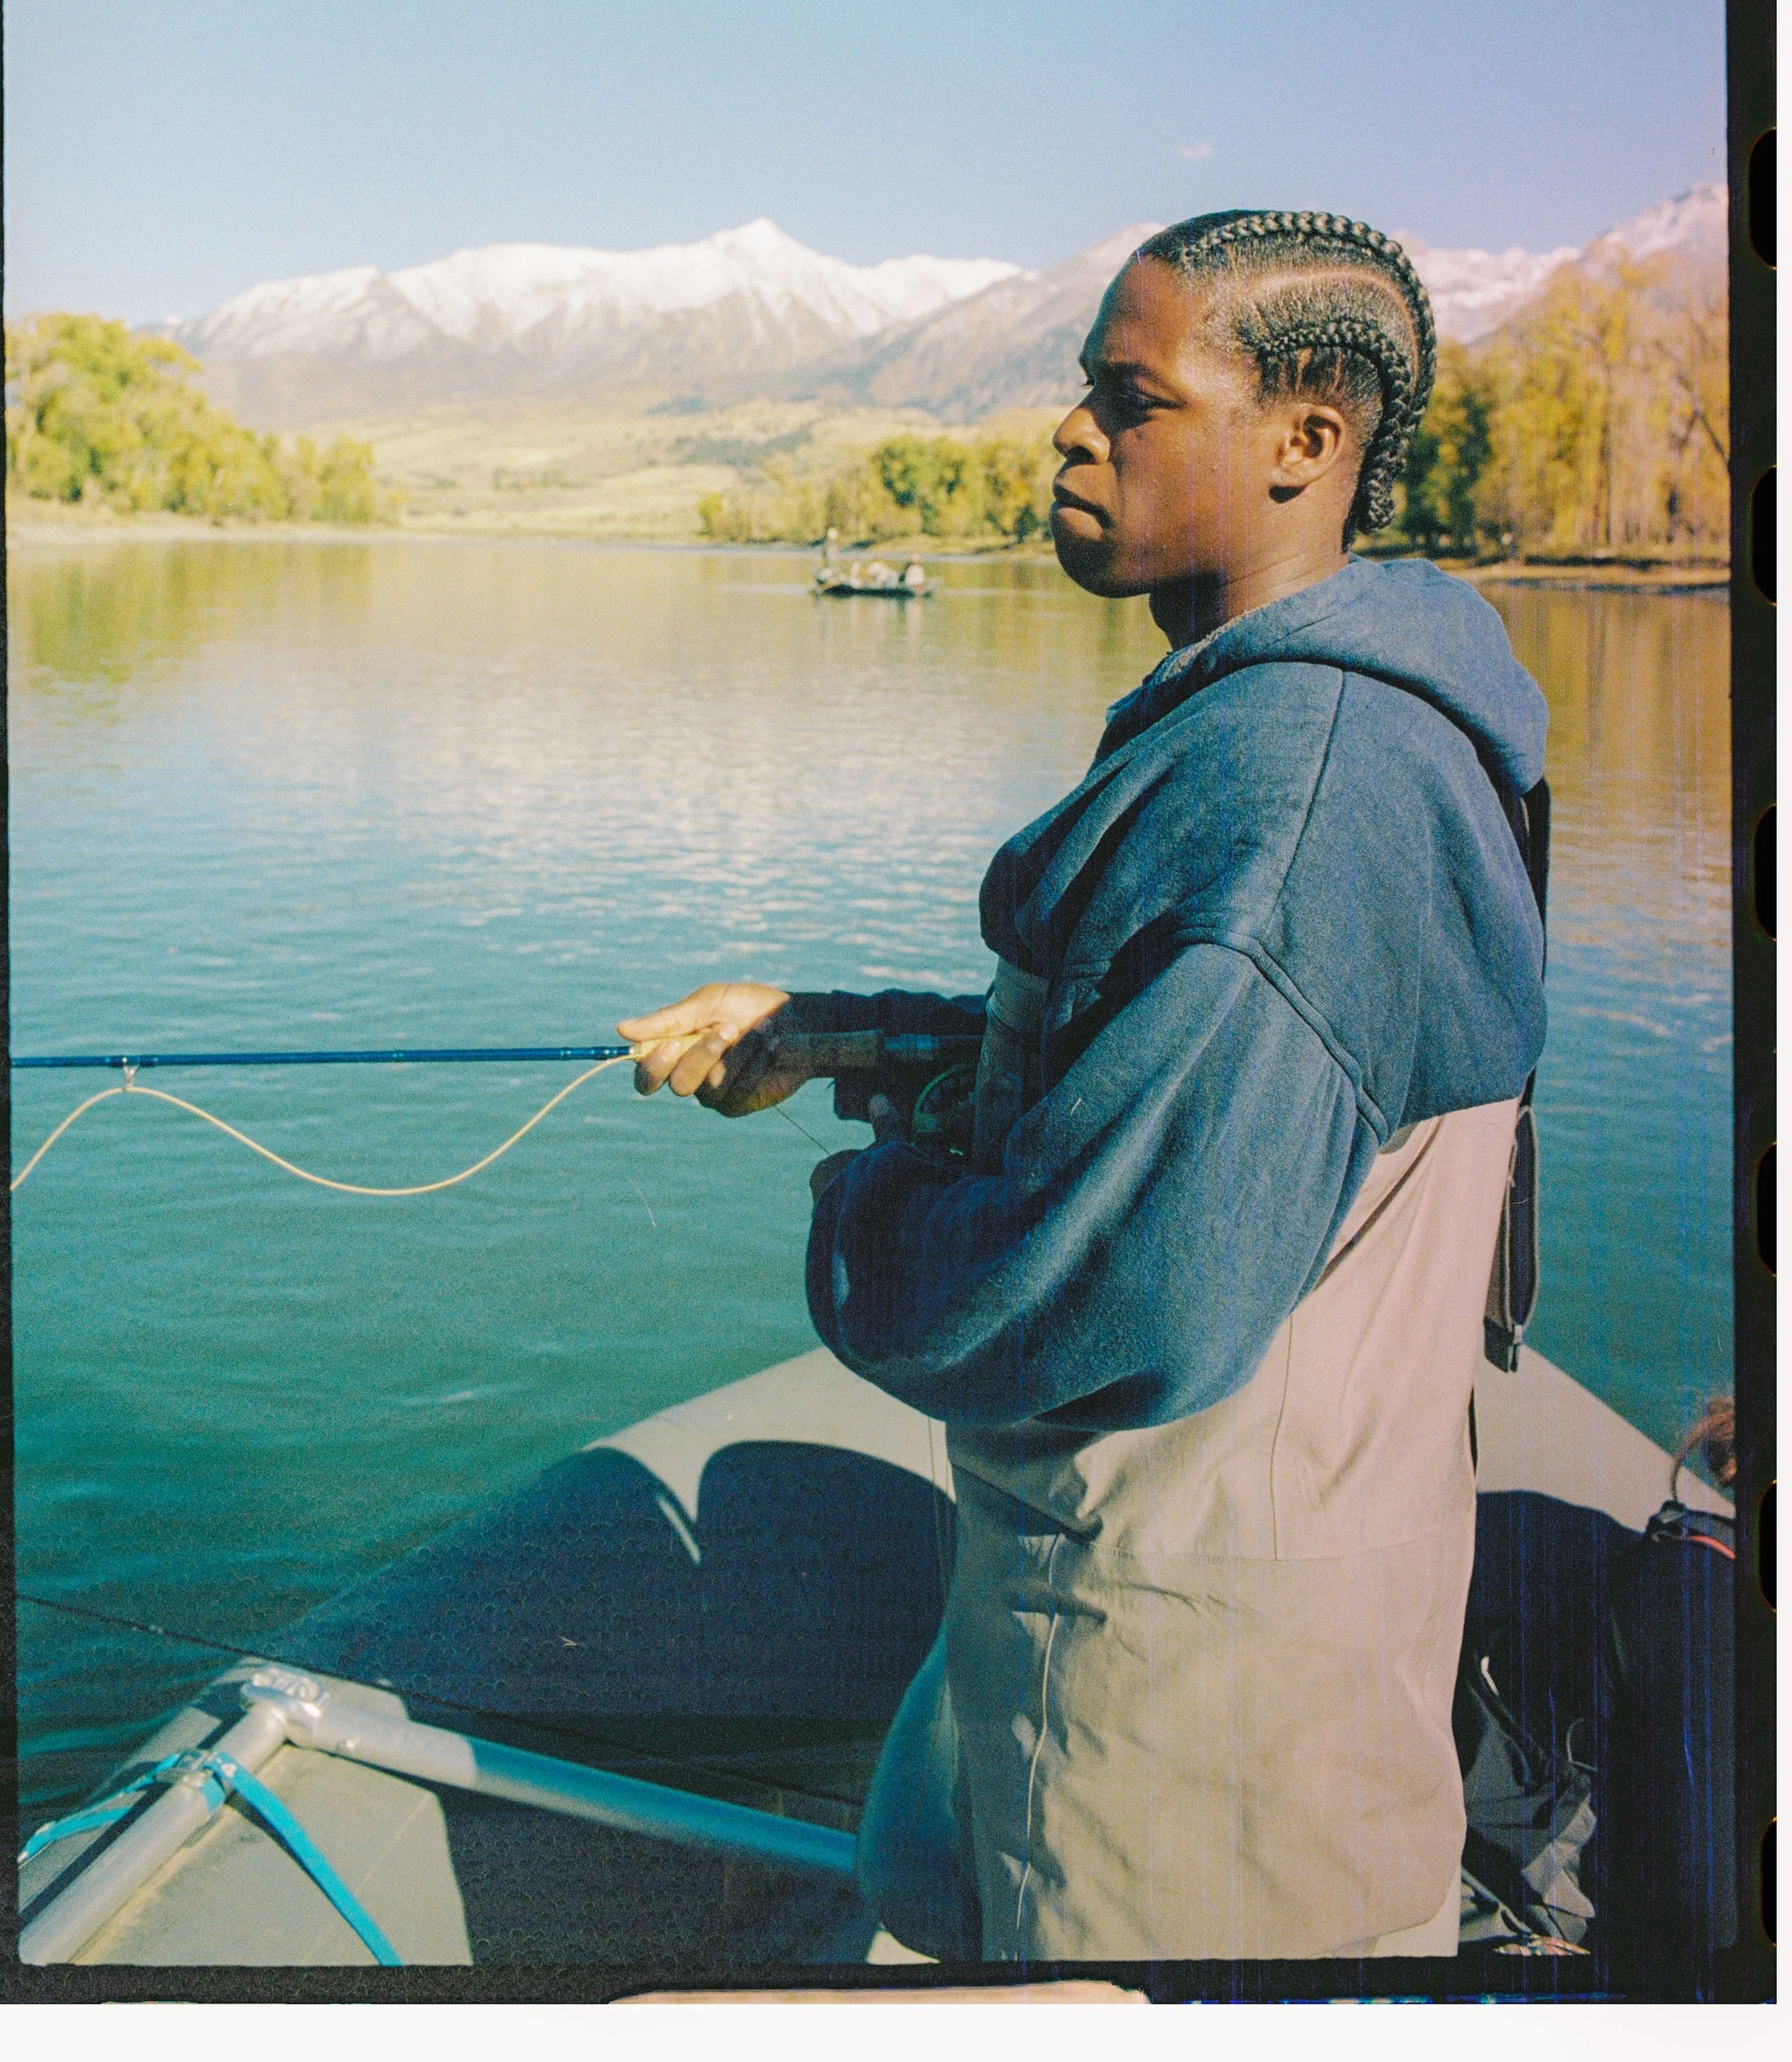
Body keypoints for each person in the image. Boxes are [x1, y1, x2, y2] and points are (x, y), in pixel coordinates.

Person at [621, 210, 1548, 1962]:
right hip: (1152, 1607)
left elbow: (1111, 1293)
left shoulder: (1296, 796)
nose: (1071, 433)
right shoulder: (1287, 727)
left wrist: (857, 1217)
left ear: (1302, 441)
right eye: (1080, 391)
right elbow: (1150, 1063)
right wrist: (836, 1033)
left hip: (1191, 1713)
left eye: (1130, 400)